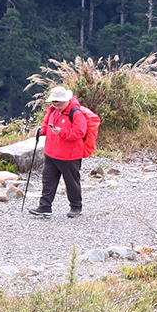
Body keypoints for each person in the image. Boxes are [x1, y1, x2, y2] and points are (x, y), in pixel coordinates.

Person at [27, 86, 99, 218]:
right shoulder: (53, 111)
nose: (56, 106)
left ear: (66, 100)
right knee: (48, 180)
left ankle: (76, 207)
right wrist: (42, 131)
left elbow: (80, 132)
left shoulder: (76, 113)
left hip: (70, 156)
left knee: (71, 182)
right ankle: (45, 207)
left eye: (58, 104)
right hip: (51, 153)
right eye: (54, 103)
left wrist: (62, 132)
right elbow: (47, 126)